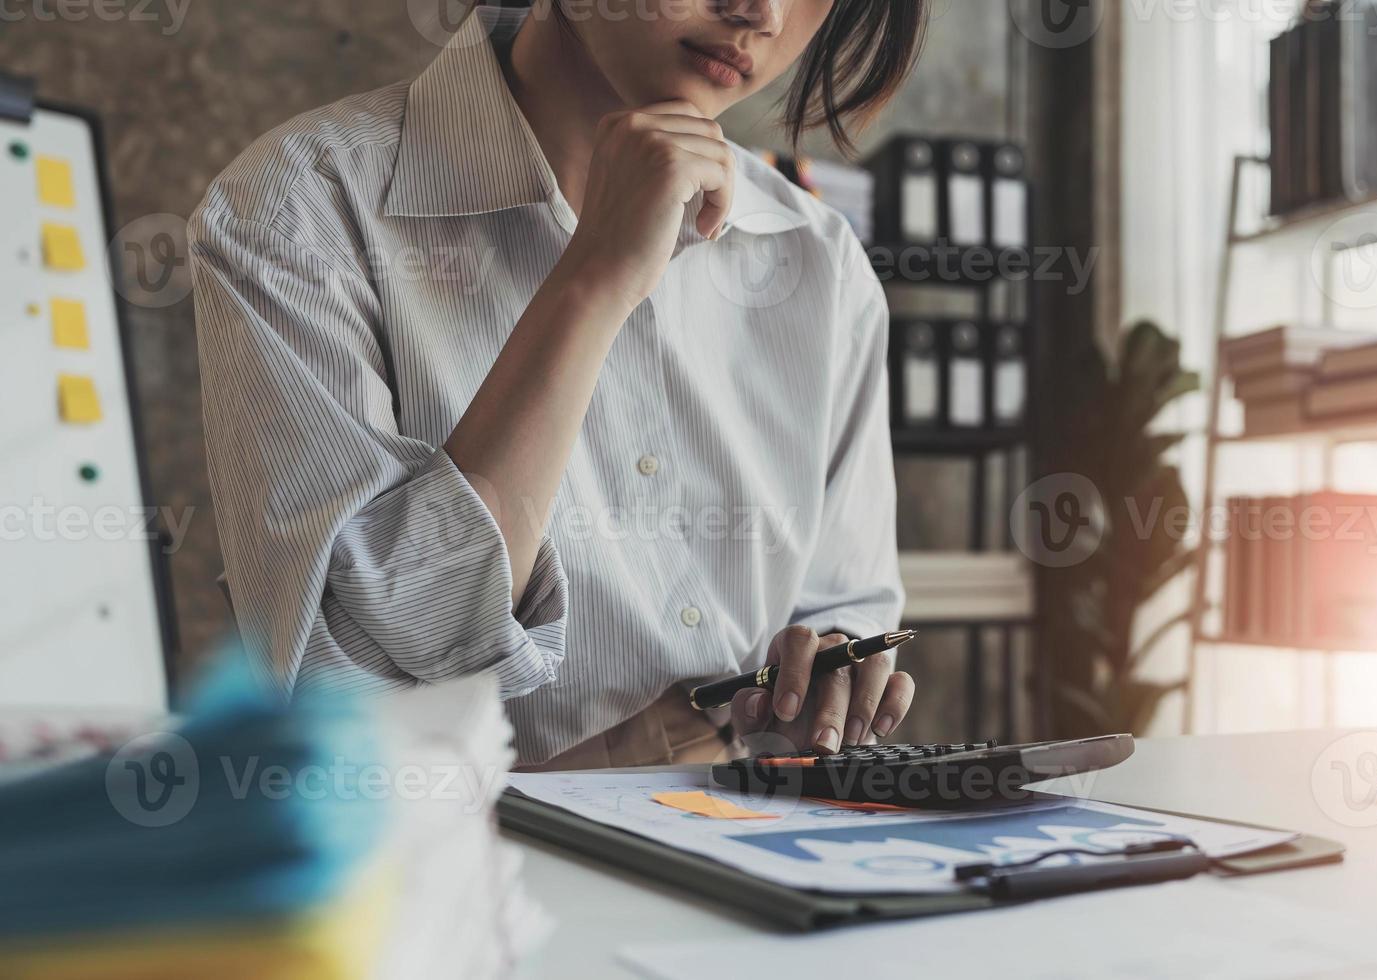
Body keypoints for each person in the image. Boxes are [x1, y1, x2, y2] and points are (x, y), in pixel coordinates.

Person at [189, 0, 928, 769]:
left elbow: (843, 601)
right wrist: (592, 282)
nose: (759, 13)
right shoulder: (299, 212)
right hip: (452, 872)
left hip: (757, 858)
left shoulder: (821, 264)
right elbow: (339, 686)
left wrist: (830, 664)